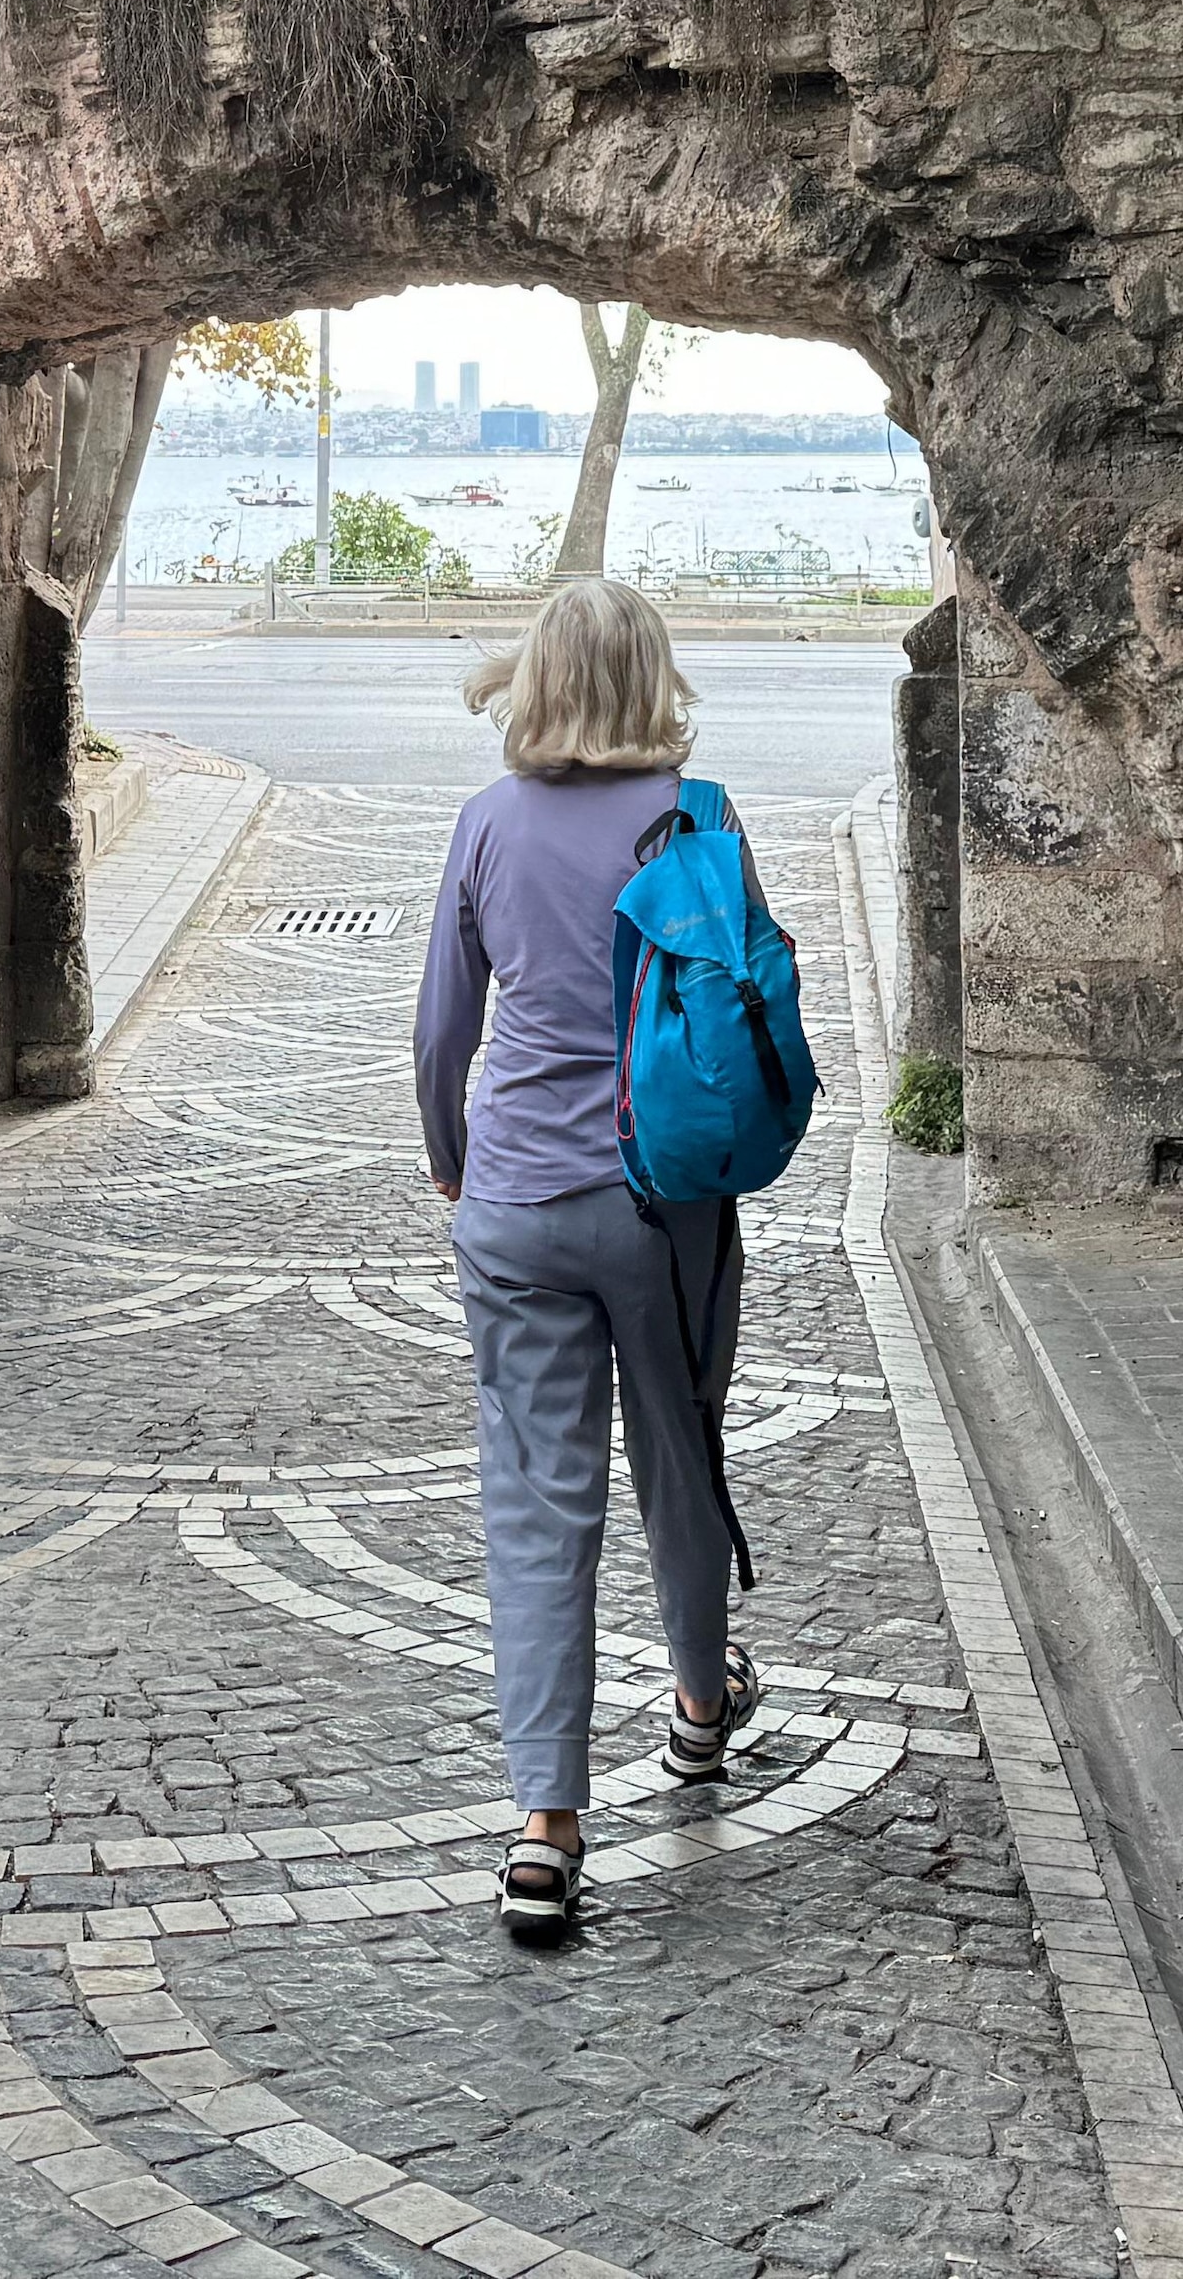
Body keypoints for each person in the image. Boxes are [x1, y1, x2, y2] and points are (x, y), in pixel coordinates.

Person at [413, 574, 767, 1945]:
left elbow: (446, 1030)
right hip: (662, 1201)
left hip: (515, 1202)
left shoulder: (486, 823)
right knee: (679, 1456)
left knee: (537, 1496)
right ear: (651, 682)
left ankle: (545, 1824)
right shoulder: (700, 816)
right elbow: (742, 1000)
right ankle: (695, 1707)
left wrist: (454, 1154)